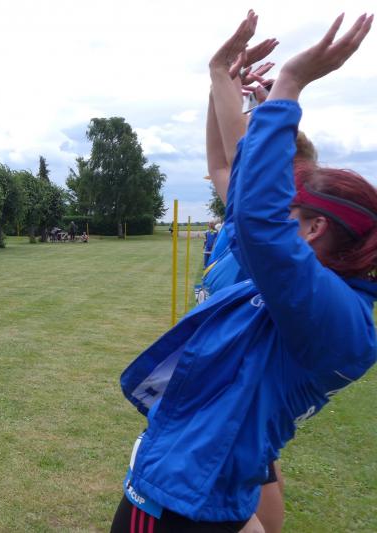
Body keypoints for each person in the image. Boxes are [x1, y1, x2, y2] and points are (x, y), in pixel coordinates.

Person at [111, 12, 375, 532]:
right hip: (210, 465)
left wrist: (289, 86)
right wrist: (220, 79)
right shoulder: (317, 296)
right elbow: (230, 171)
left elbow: (256, 211)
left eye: (287, 210)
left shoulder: (332, 312)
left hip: (183, 493)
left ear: (315, 228)